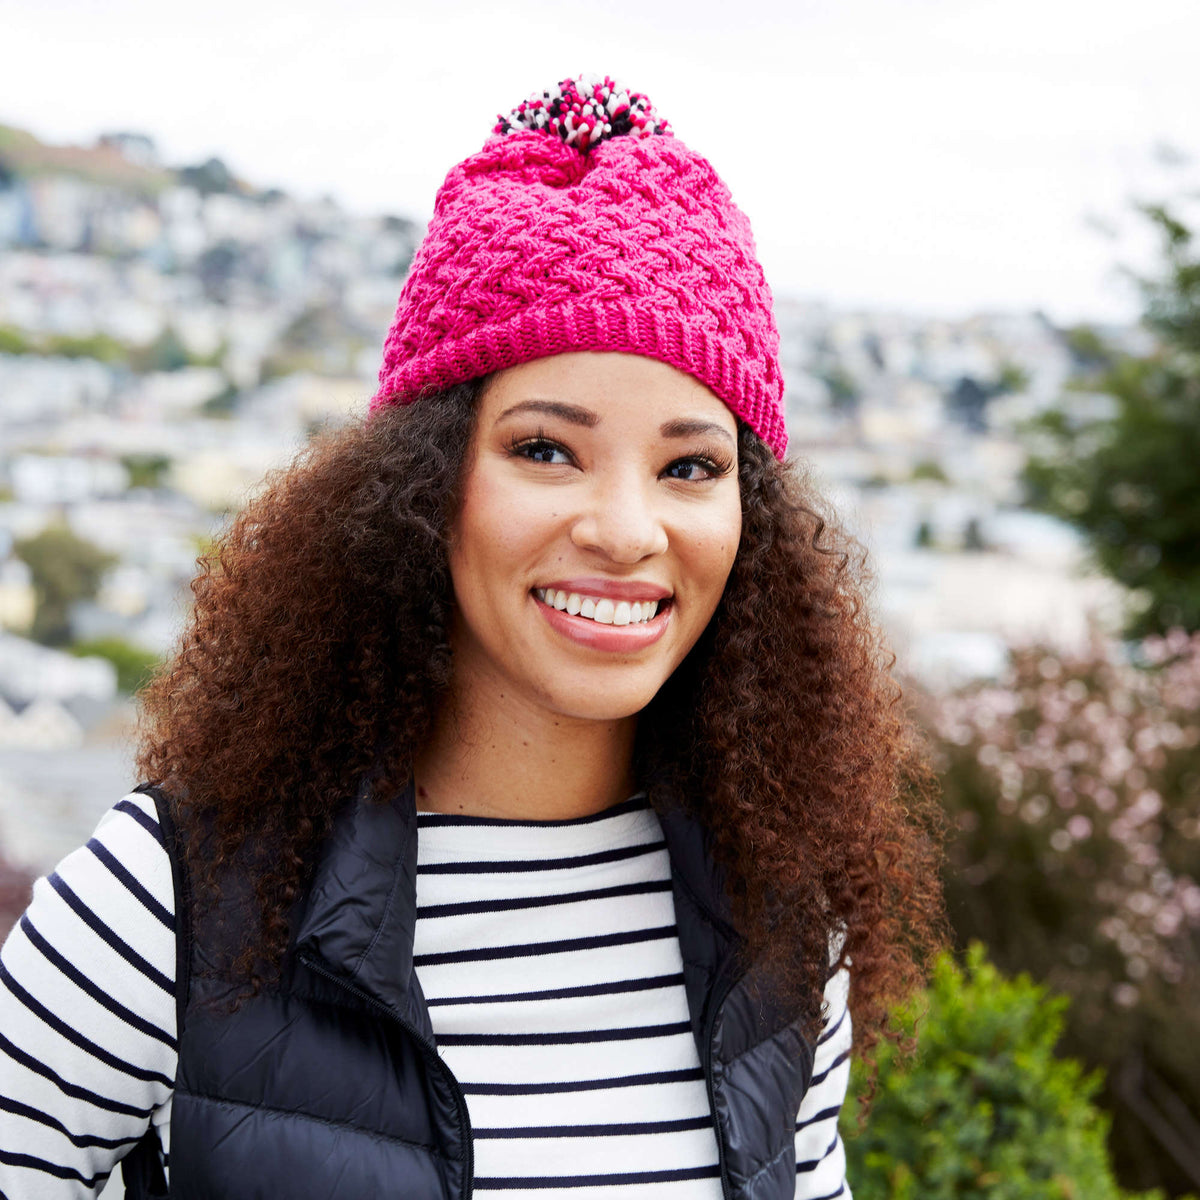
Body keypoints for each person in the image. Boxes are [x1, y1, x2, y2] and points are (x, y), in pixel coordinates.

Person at [0, 75, 943, 1198]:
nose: (627, 531)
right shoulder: (166, 904)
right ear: (423, 483)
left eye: (691, 466)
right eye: (547, 449)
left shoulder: (783, 923)